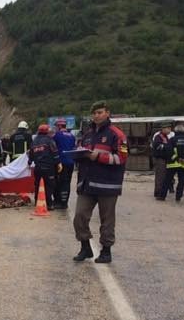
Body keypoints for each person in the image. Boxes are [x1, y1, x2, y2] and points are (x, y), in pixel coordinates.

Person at [73, 101, 128, 264]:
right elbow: (83, 152)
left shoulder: (117, 134)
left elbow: (122, 158)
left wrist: (98, 157)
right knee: (79, 216)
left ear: (107, 113)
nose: (96, 115)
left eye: (100, 112)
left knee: (107, 220)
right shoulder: (88, 134)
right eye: (94, 113)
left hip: (108, 185)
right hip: (87, 184)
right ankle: (85, 247)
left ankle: (106, 251)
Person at [28, 124, 61, 209]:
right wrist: (58, 163)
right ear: (47, 131)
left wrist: (29, 162)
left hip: (38, 168)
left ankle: (37, 202)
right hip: (48, 167)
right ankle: (49, 204)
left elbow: (30, 155)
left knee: (38, 185)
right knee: (49, 186)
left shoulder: (34, 141)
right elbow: (55, 152)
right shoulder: (49, 140)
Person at [160, 125, 184, 202]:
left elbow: (169, 151)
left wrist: (176, 158)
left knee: (167, 180)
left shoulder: (172, 140)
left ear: (175, 131)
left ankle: (162, 196)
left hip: (172, 164)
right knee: (181, 181)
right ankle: (178, 197)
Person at [52, 119, 76, 208]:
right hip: (71, 162)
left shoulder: (57, 136)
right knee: (67, 183)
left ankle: (58, 202)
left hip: (60, 163)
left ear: (59, 126)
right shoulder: (72, 136)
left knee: (59, 182)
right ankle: (65, 202)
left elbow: (52, 147)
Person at [151, 122, 173, 199]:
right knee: (160, 176)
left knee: (163, 176)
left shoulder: (165, 137)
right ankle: (158, 192)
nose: (170, 130)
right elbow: (157, 147)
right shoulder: (158, 137)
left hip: (164, 159)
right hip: (160, 159)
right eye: (168, 128)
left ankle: (161, 191)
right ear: (163, 129)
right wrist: (167, 147)